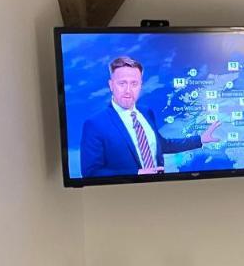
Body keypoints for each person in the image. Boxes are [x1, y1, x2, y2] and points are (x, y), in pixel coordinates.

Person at [79, 56, 220, 177]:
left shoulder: (146, 112)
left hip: (158, 191)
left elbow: (162, 145)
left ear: (140, 85)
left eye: (134, 83)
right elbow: (90, 172)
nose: (128, 90)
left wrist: (200, 139)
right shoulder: (95, 124)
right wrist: (136, 174)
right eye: (122, 83)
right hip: (123, 197)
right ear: (111, 85)